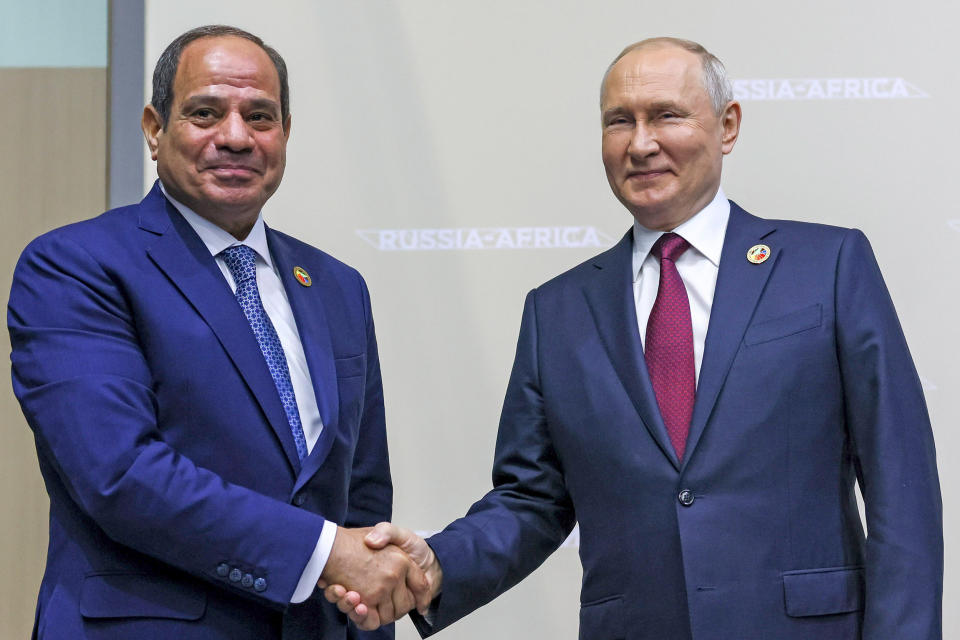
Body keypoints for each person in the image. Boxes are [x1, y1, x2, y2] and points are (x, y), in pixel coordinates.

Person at [326, 37, 943, 639]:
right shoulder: (557, 311)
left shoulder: (828, 265)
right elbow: (533, 501)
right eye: (619, 121)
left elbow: (901, 481)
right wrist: (437, 566)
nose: (640, 143)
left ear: (727, 126)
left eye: (666, 116)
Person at [8, 25, 429, 640]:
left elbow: (360, 498)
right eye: (205, 113)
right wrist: (324, 552)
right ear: (155, 129)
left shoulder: (337, 286)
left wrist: (366, 602)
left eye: (260, 116)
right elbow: (119, 474)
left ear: (285, 134)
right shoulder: (76, 265)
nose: (235, 137)